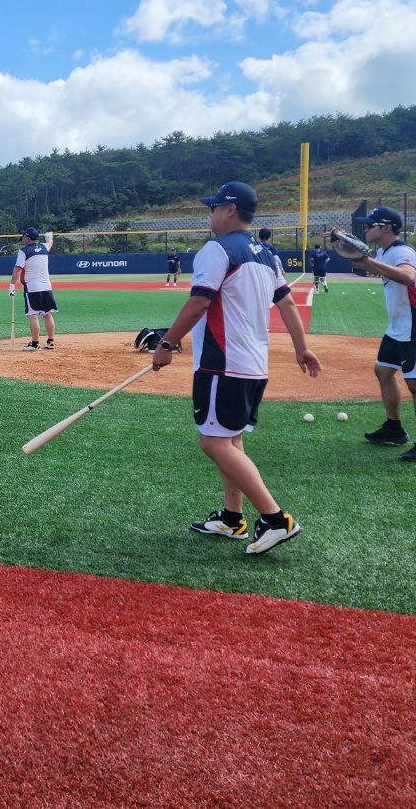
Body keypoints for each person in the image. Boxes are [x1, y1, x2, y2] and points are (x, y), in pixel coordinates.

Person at [150, 181, 321, 555]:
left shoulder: (216, 249)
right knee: (231, 440)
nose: (209, 214)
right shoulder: (267, 253)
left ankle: (276, 519)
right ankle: (232, 518)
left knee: (213, 443)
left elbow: (198, 304)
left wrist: (166, 344)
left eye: (213, 207)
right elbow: (288, 306)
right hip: (253, 365)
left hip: (222, 365)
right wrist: (301, 348)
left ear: (229, 209)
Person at [345, 206, 416, 462]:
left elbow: (408, 277)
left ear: (386, 227)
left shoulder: (403, 251)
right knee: (383, 371)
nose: (366, 228)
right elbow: (374, 265)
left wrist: (367, 261)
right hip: (399, 327)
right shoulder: (383, 251)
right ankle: (394, 428)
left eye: (370, 225)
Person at [9, 227, 57, 350]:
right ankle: (50, 341)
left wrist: (12, 284)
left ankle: (35, 344)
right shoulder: (44, 247)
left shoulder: (24, 251)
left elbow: (18, 269)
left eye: (24, 236)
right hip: (47, 286)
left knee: (33, 315)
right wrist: (49, 236)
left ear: (28, 239)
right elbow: (50, 241)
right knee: (48, 314)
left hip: (32, 288)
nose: (22, 238)